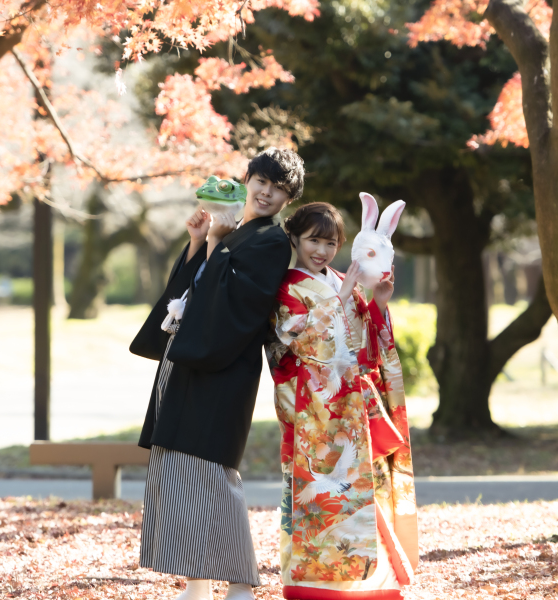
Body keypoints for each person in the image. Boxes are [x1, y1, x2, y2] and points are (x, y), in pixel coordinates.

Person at [129, 147, 305, 600]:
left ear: (287, 199)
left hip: (223, 364)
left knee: (212, 474)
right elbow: (184, 295)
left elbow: (242, 306)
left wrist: (215, 246)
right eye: (261, 182)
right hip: (187, 359)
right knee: (177, 469)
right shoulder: (232, 228)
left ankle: (242, 581)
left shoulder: (271, 240)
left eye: (279, 189)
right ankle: (198, 581)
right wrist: (197, 243)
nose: (266, 193)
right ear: (247, 179)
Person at [266, 202, 418, 600]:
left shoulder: (338, 278)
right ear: (295, 238)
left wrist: (378, 304)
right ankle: (312, 584)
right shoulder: (286, 286)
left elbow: (364, 347)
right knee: (320, 489)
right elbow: (293, 341)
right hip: (315, 409)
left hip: (353, 405)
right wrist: (343, 296)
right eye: (314, 240)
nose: (322, 250)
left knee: (368, 488)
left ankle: (373, 582)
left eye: (330, 242)